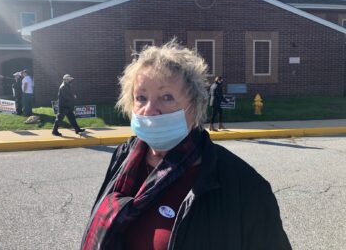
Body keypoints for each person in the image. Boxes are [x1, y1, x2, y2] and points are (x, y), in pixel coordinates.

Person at [81, 40, 292, 250]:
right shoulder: (124, 158)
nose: (149, 109)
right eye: (141, 97)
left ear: (195, 106)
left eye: (166, 97)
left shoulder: (243, 185)